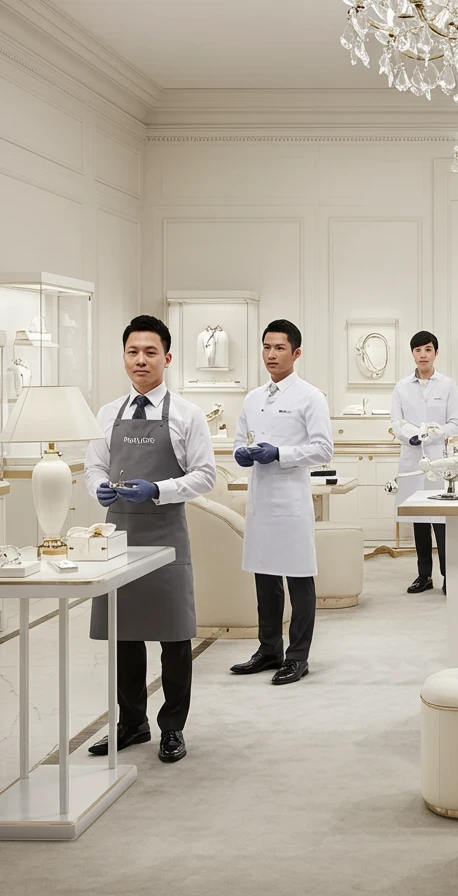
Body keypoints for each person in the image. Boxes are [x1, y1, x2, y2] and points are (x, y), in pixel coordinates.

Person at [85, 315, 215, 763]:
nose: (141, 360)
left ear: (167, 358)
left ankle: (172, 727)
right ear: (124, 357)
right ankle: (132, 723)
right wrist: (98, 488)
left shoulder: (187, 415)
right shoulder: (107, 414)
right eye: (133, 352)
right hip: (117, 535)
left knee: (174, 637)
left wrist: (158, 489)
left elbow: (205, 475)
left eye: (150, 352)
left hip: (166, 536)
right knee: (124, 634)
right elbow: (93, 466)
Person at [228, 320, 334, 685]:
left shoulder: (310, 396)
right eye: (266, 347)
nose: (271, 355)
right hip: (260, 499)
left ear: (296, 353)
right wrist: (241, 453)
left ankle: (298, 656)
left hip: (291, 500)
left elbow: (323, 449)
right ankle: (269, 648)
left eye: (279, 348)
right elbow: (239, 439)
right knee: (265, 577)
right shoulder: (253, 397)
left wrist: (280, 454)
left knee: (299, 578)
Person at [391, 331, 458, 595]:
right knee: (418, 519)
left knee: (442, 520)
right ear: (413, 354)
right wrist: (410, 436)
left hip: (439, 459)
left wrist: (432, 433)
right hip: (412, 461)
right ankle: (424, 575)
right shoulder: (401, 387)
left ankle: (448, 576)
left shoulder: (447, 385)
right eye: (418, 350)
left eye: (428, 349)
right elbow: (396, 422)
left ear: (436, 353)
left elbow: (456, 422)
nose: (423, 354)